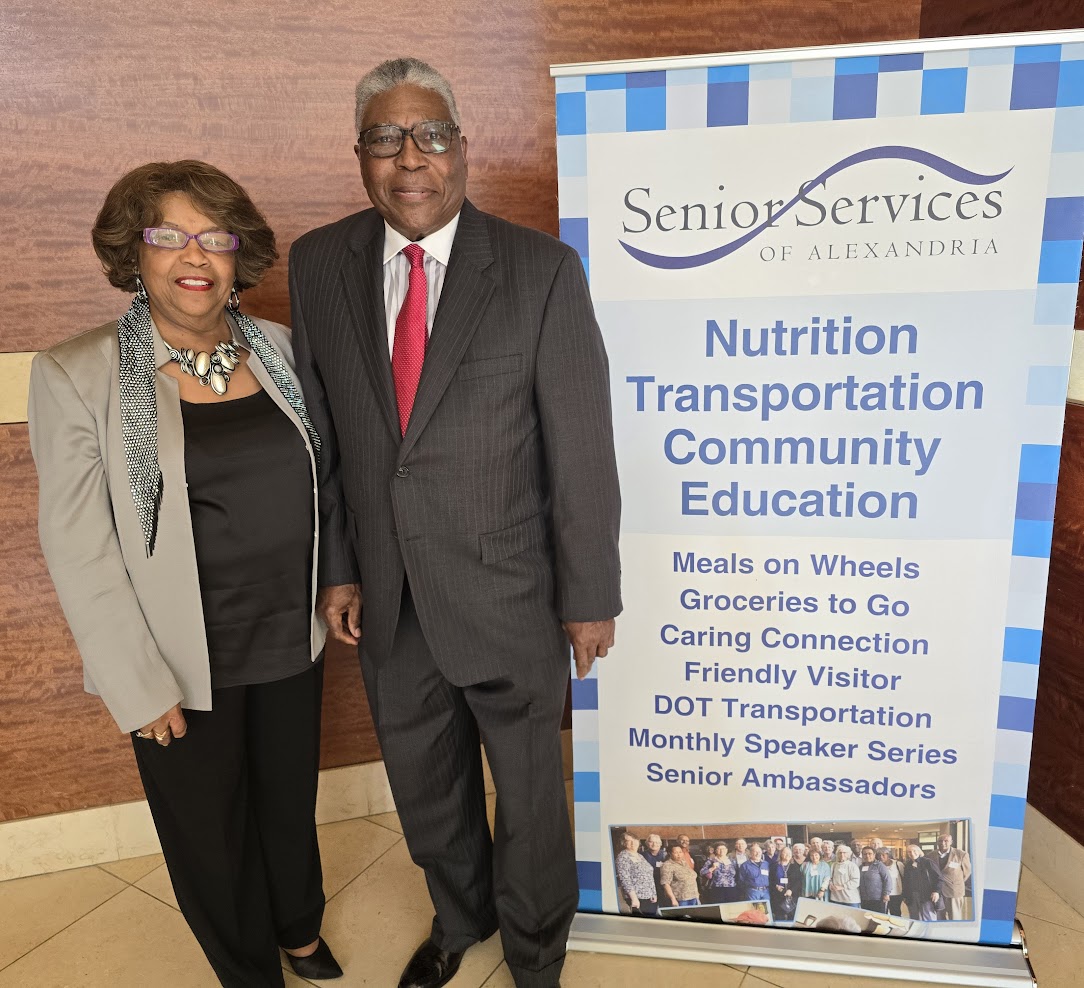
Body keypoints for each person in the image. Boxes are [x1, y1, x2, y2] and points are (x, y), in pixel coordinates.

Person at [288, 57, 621, 988]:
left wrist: (589, 597)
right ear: (360, 154)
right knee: (427, 792)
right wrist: (338, 569)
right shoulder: (318, 264)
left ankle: (535, 953)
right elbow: (326, 440)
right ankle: (458, 919)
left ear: (462, 148)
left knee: (528, 802)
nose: (411, 159)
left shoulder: (539, 270)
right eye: (386, 138)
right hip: (390, 602)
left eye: (430, 134)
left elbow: (582, 450)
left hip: (511, 594)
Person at [28, 160, 341, 985]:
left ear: (240, 257)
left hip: (288, 629)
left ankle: (298, 927)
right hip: (175, 653)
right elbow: (78, 545)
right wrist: (137, 684)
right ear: (135, 254)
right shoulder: (77, 373)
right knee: (210, 827)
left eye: (214, 237)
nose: (192, 256)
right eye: (167, 236)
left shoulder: (279, 350)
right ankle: (249, 968)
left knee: (285, 800)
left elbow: (327, 482)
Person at [928, 833, 972, 920]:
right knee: (939, 916)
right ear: (937, 842)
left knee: (954, 916)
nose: (943, 843)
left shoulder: (961, 854)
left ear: (951, 842)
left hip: (954, 891)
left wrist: (955, 882)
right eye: (940, 841)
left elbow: (967, 872)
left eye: (946, 841)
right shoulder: (930, 855)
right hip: (937, 892)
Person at [615, 833, 658, 916]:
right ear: (623, 843)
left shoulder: (640, 856)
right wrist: (634, 898)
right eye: (629, 841)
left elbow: (649, 875)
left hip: (648, 896)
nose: (633, 843)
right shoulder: (623, 856)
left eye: (634, 840)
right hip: (637, 897)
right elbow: (625, 879)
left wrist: (653, 893)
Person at [903, 844, 943, 921]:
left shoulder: (928, 862)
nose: (912, 853)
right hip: (912, 896)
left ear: (919, 851)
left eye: (914, 851)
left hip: (926, 895)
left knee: (928, 917)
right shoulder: (908, 865)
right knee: (914, 918)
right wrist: (905, 895)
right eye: (909, 852)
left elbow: (939, 878)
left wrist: (936, 891)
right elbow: (906, 881)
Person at [858, 846, 891, 912]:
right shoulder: (860, 867)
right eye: (865, 854)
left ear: (874, 855)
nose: (867, 856)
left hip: (878, 898)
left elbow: (887, 880)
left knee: (878, 918)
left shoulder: (879, 865)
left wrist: (886, 894)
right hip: (864, 899)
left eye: (869, 854)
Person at [770, 845, 796, 921]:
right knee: (779, 916)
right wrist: (776, 886)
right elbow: (770, 880)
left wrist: (791, 890)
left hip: (790, 895)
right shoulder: (774, 866)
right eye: (785, 853)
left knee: (791, 916)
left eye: (789, 854)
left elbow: (798, 881)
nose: (787, 855)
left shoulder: (795, 866)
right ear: (781, 854)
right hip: (778, 894)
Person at [880, 849, 906, 916]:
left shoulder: (898, 864)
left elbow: (904, 877)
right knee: (883, 914)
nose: (881, 857)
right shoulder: (878, 865)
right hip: (882, 894)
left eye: (883, 855)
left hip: (896, 894)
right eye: (879, 855)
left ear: (888, 855)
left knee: (896, 913)